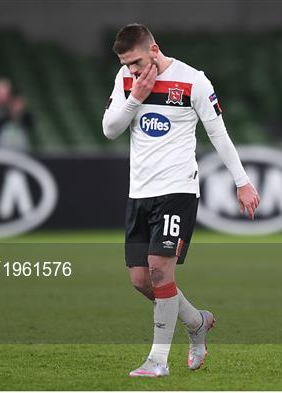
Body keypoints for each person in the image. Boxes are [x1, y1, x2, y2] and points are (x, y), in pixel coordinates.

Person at [102, 24, 260, 377]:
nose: (133, 71)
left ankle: (157, 361)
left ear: (154, 50)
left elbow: (218, 133)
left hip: (178, 190)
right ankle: (196, 322)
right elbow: (110, 129)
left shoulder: (193, 81)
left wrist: (242, 182)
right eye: (127, 65)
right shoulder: (126, 80)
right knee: (141, 280)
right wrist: (134, 98)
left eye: (137, 62)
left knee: (160, 270)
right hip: (139, 192)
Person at [0, 78, 34, 150]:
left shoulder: (18, 110)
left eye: (5, 93)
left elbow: (30, 123)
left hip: (18, 150)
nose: (2, 96)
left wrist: (18, 113)